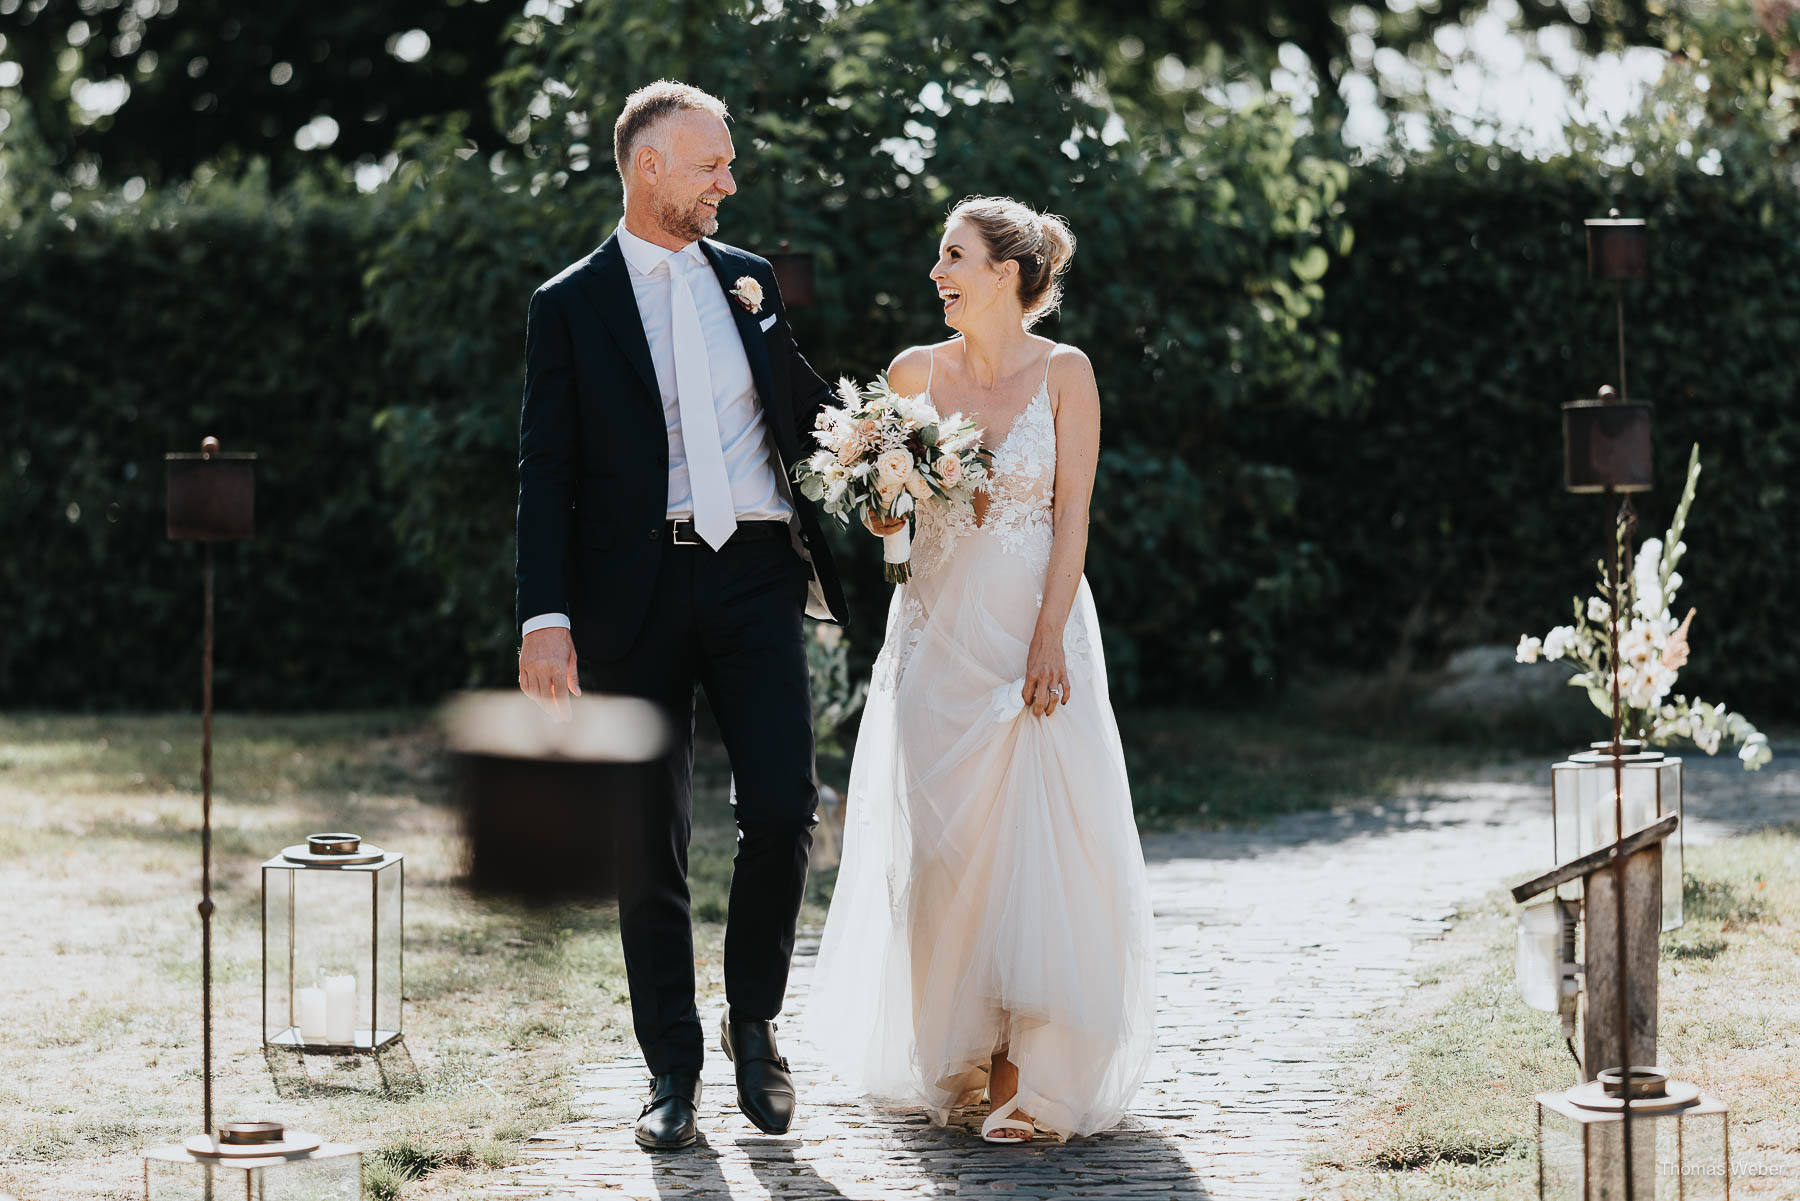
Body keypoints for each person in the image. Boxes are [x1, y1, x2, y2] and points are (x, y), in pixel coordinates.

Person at [513, 79, 847, 1151]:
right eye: (712, 163)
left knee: (786, 803)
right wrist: (543, 616)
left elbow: (800, 411)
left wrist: (891, 448)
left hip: (752, 574)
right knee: (644, 841)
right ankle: (671, 1070)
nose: (728, 182)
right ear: (648, 163)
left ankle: (756, 1022)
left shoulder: (748, 281)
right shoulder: (568, 304)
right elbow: (545, 470)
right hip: (631, 594)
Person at [808, 197, 1155, 1143]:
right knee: (946, 849)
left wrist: (1050, 635)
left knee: (1041, 841)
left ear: (1007, 272)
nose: (936, 272)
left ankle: (1027, 1069)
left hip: (1033, 629)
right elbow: (892, 520)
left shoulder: (1067, 373)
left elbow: (1073, 515)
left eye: (953, 256)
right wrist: (882, 504)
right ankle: (953, 1057)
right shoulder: (914, 372)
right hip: (935, 633)